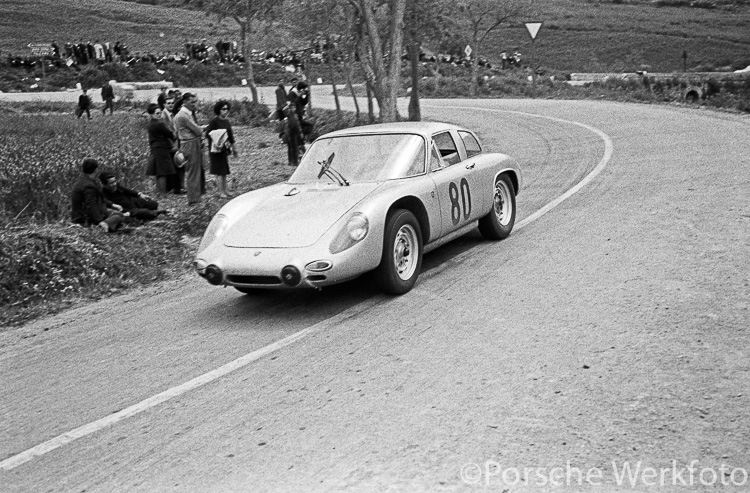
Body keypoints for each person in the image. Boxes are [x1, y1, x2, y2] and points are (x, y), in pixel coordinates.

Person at [71, 158, 125, 232]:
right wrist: (99, 221)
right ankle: (101, 227)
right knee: (119, 216)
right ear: (96, 170)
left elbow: (98, 197)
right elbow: (91, 205)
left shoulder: (83, 181)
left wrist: (112, 205)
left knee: (116, 213)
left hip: (90, 212)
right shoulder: (89, 185)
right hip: (85, 217)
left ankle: (109, 225)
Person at [174, 92, 206, 204]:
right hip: (190, 143)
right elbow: (197, 130)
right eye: (192, 102)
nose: (194, 104)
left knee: (195, 170)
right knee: (193, 171)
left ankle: (196, 196)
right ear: (185, 102)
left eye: (195, 101)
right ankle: (193, 198)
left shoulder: (187, 114)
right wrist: (202, 129)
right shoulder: (183, 115)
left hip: (190, 142)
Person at [99, 172, 166, 221]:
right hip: (128, 210)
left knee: (154, 204)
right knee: (145, 212)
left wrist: (140, 195)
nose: (114, 184)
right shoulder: (103, 194)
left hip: (133, 202)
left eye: (114, 181)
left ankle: (149, 213)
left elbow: (127, 190)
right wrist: (116, 207)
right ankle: (156, 213)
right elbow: (110, 205)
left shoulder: (117, 186)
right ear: (104, 184)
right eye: (111, 183)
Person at [205, 100, 237, 198]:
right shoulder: (214, 122)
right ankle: (221, 191)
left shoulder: (226, 122)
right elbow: (208, 134)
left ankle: (225, 190)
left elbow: (231, 137)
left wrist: (234, 149)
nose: (226, 111)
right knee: (219, 171)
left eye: (227, 109)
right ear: (219, 110)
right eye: (223, 109)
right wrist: (217, 139)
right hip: (216, 150)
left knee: (224, 171)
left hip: (224, 149)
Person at [144, 103, 177, 193]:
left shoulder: (151, 123)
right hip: (162, 148)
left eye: (160, 113)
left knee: (159, 171)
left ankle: (160, 191)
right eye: (157, 113)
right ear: (152, 114)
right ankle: (163, 193)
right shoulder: (159, 123)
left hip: (155, 148)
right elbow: (170, 134)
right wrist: (174, 136)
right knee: (163, 171)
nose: (160, 115)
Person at [161, 96, 184, 194]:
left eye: (172, 103)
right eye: (168, 103)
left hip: (174, 144)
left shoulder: (171, 114)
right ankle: (176, 188)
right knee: (175, 166)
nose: (171, 105)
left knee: (177, 166)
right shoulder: (164, 116)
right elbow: (167, 131)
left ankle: (176, 187)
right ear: (164, 105)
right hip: (170, 145)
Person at [284, 101, 302, 166]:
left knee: (295, 146)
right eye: (291, 108)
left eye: (294, 108)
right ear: (290, 108)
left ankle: (294, 161)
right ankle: (291, 161)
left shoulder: (295, 115)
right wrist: (287, 106)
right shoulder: (288, 114)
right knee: (291, 147)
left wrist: (300, 132)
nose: (293, 109)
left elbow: (298, 124)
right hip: (290, 131)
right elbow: (284, 110)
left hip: (295, 131)